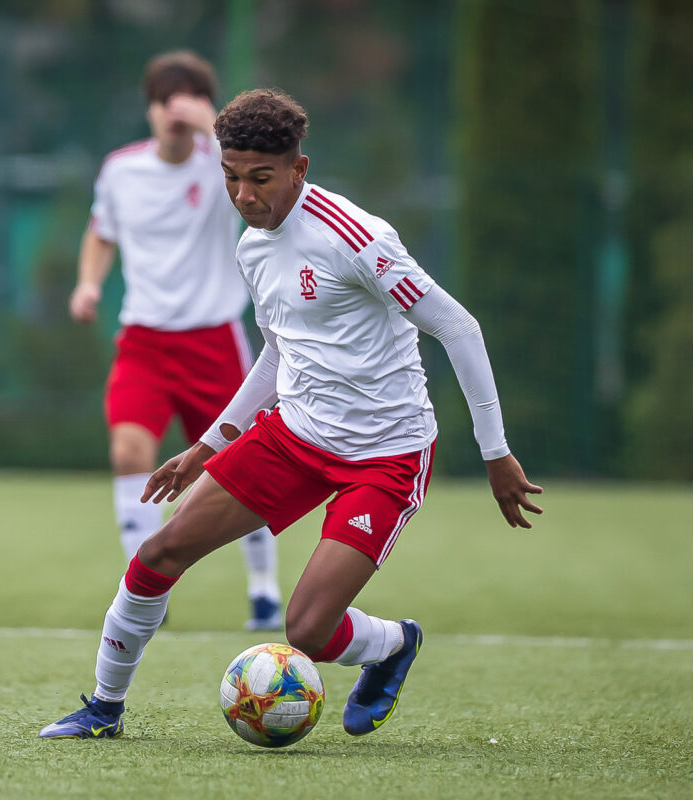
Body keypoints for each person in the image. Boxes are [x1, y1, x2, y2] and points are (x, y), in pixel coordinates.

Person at [39, 88, 543, 740]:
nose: (244, 195)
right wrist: (207, 447)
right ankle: (104, 710)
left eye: (260, 178)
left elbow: (458, 327)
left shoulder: (359, 238)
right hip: (295, 435)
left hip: (386, 454)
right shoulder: (251, 246)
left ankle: (394, 644)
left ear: (297, 169)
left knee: (307, 630)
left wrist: (495, 452)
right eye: (230, 177)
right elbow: (278, 354)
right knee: (160, 551)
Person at [70, 51, 283, 631]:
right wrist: (88, 285)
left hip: (214, 341)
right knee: (128, 453)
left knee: (242, 465)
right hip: (143, 341)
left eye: (186, 97)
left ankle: (264, 590)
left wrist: (211, 122)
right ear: (149, 107)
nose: (175, 109)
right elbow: (100, 233)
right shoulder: (121, 170)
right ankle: (143, 589)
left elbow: (254, 173)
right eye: (166, 98)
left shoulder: (222, 167)